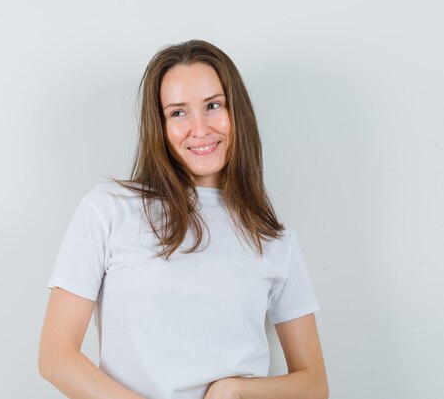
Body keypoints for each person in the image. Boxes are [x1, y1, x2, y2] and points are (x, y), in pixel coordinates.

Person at [38, 40, 329, 399]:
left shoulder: (272, 237)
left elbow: (314, 383)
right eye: (178, 112)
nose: (200, 127)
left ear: (236, 111)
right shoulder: (108, 210)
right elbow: (56, 356)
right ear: (158, 125)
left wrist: (235, 390)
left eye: (213, 105)